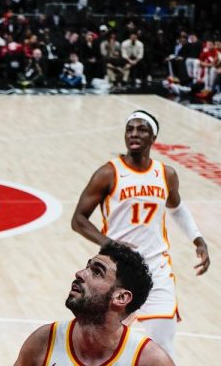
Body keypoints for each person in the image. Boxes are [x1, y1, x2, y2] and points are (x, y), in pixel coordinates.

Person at [70, 110, 210, 359]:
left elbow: (176, 208)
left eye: (141, 129)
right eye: (130, 129)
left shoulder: (166, 174)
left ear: (153, 136)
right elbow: (78, 220)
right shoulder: (108, 173)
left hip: (157, 269)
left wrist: (197, 238)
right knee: (104, 342)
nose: (134, 134)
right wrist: (110, 244)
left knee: (163, 344)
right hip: (118, 272)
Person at [14, 242, 174, 365]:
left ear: (121, 298)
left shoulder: (150, 360)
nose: (80, 273)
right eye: (87, 267)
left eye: (97, 272)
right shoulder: (44, 341)